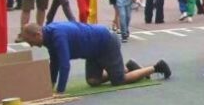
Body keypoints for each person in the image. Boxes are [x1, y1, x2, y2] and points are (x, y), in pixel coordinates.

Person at [20, 22, 169, 93]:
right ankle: (126, 68)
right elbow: (55, 63)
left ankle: (156, 67)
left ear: (38, 34)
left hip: (106, 42)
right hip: (92, 52)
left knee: (119, 81)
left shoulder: (57, 36)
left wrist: (60, 91)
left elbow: (65, 65)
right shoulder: (47, 38)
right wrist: (49, 85)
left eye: (30, 41)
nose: (31, 45)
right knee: (93, 81)